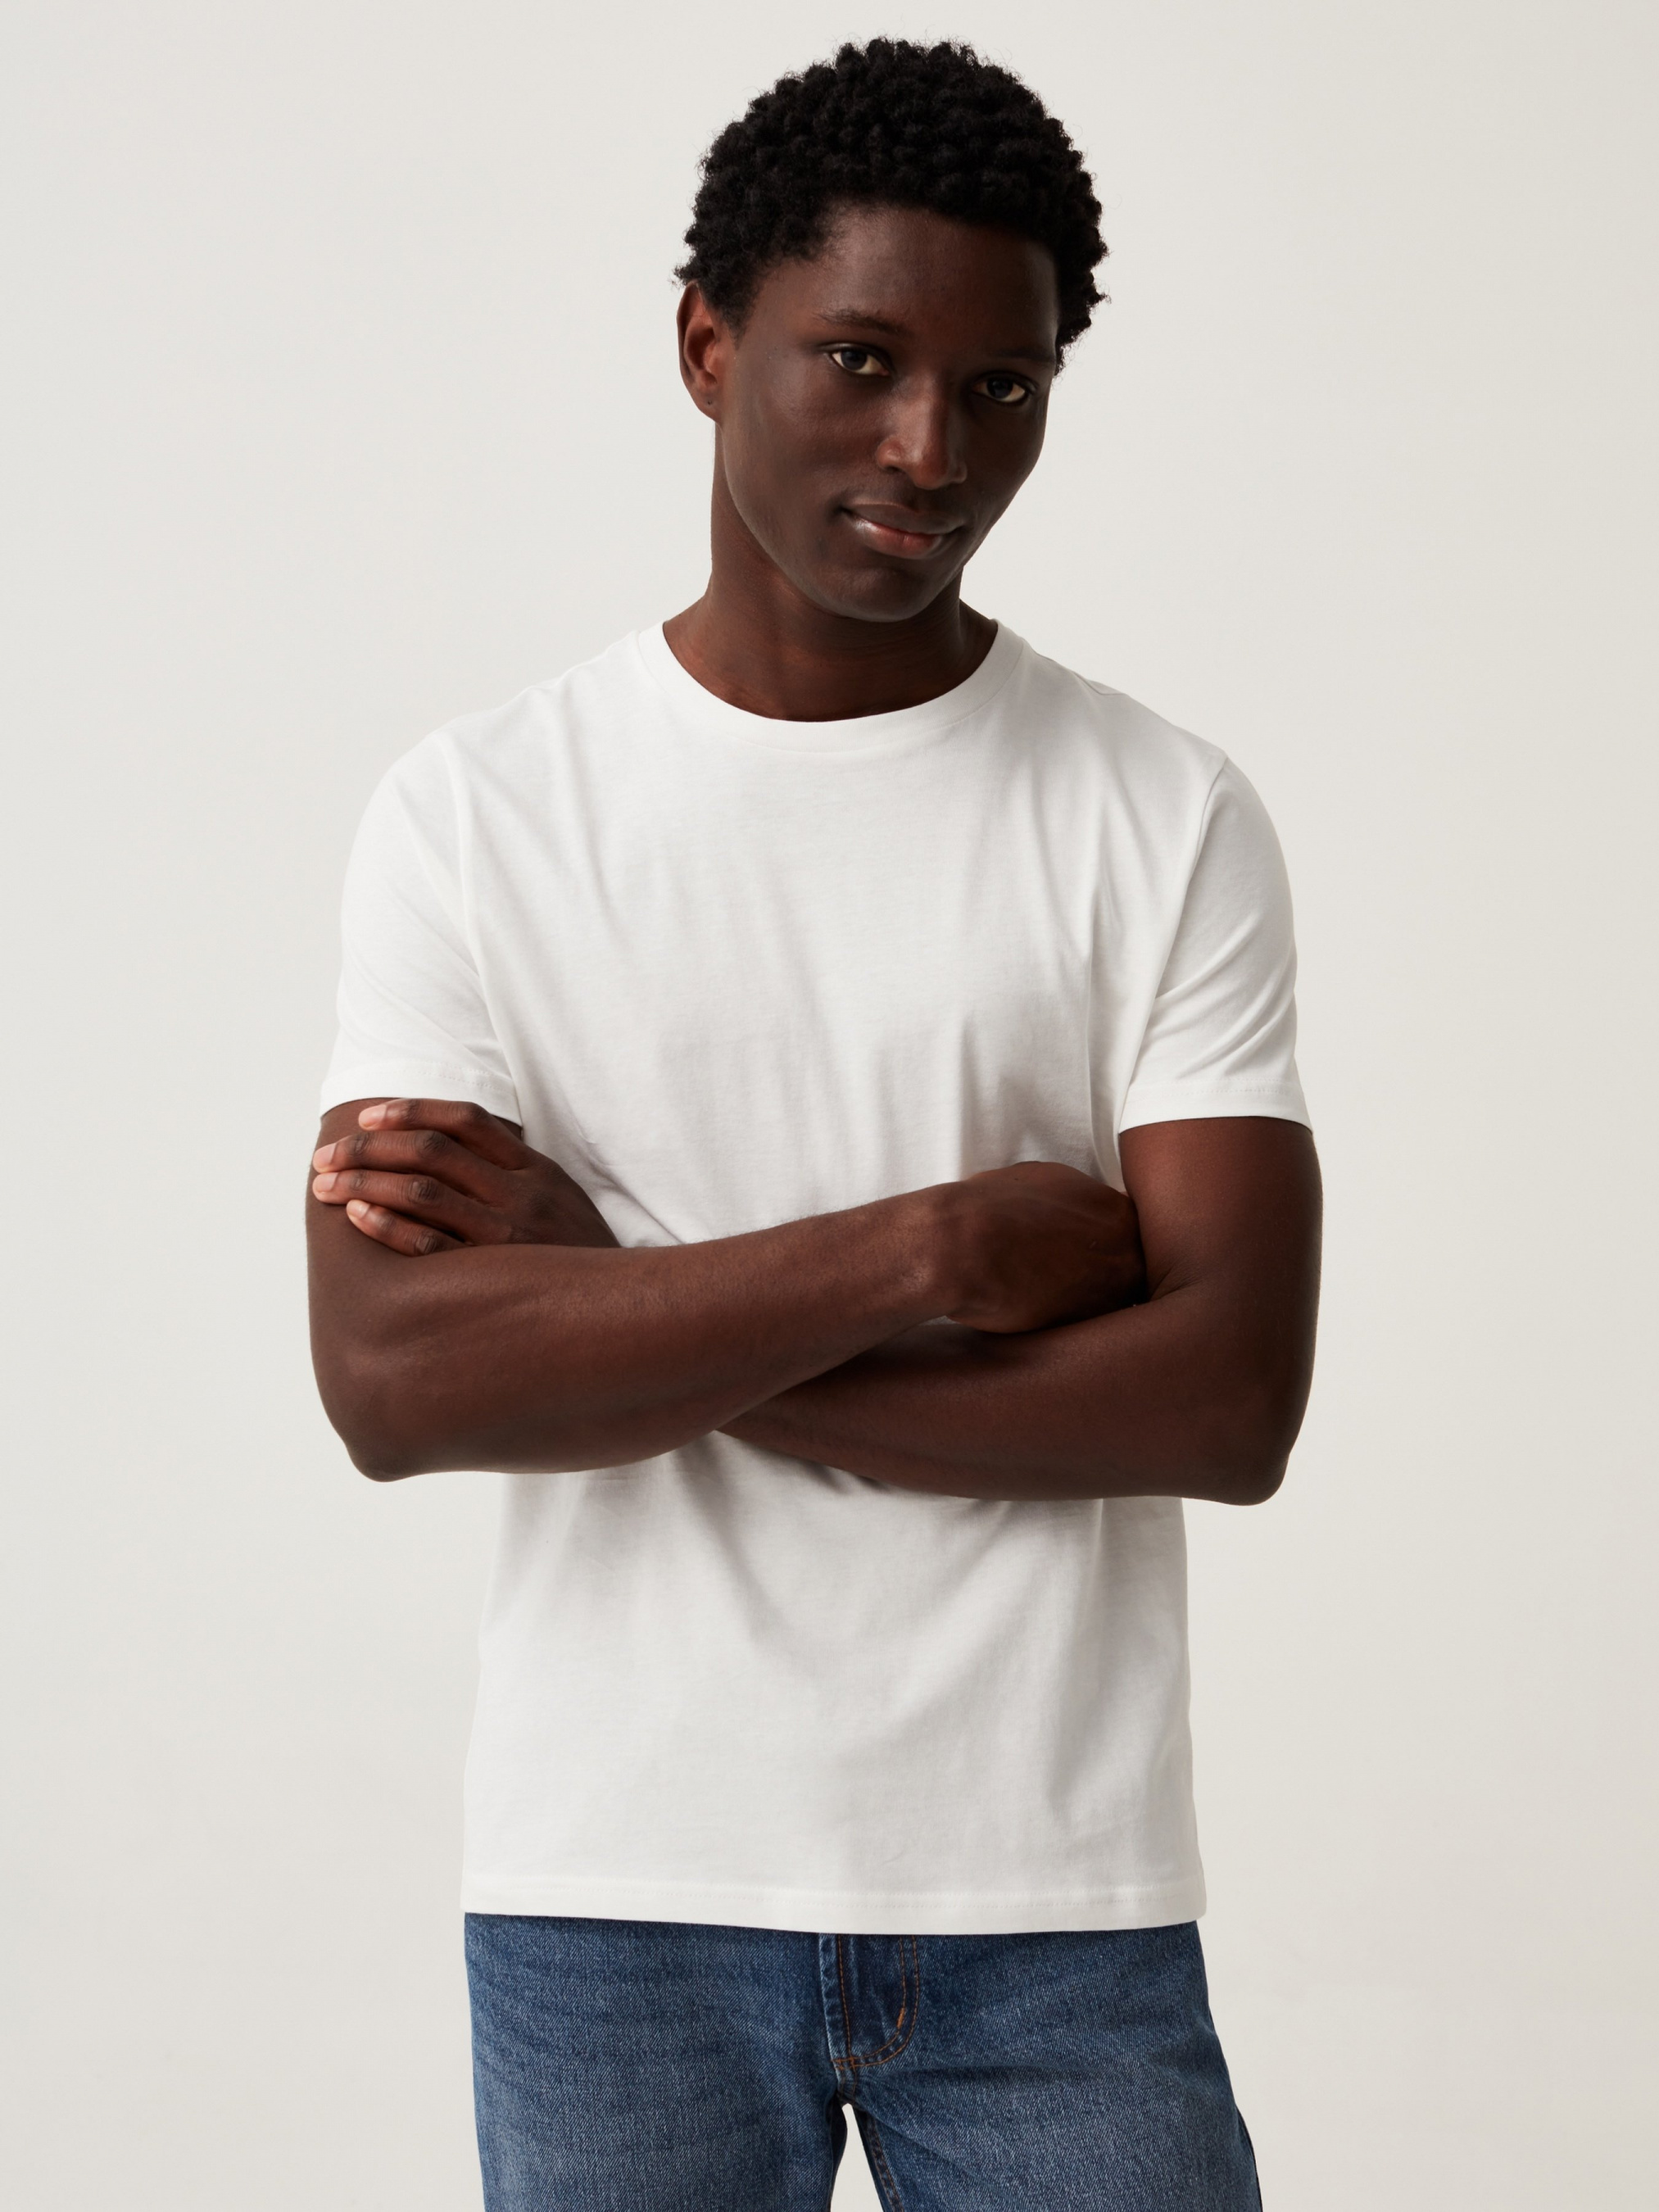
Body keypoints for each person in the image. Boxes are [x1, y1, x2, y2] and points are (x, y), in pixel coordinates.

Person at [306, 38, 1321, 2212]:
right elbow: (395, 1383)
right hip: (617, 1882)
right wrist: (920, 1256)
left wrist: (619, 1305)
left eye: (1001, 387)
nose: (930, 449)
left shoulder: (1160, 813)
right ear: (707, 343)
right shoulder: (478, 817)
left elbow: (1231, 1400)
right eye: (860, 360)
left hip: (1052, 1891)